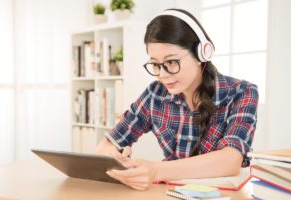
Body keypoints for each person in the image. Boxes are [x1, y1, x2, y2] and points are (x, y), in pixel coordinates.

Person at [95, 8, 259, 190]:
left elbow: (230, 160)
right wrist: (115, 157)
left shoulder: (242, 92)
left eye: (172, 62)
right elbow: (107, 144)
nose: (162, 75)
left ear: (201, 54)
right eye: (156, 65)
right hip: (171, 193)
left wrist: (156, 170)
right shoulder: (155, 94)